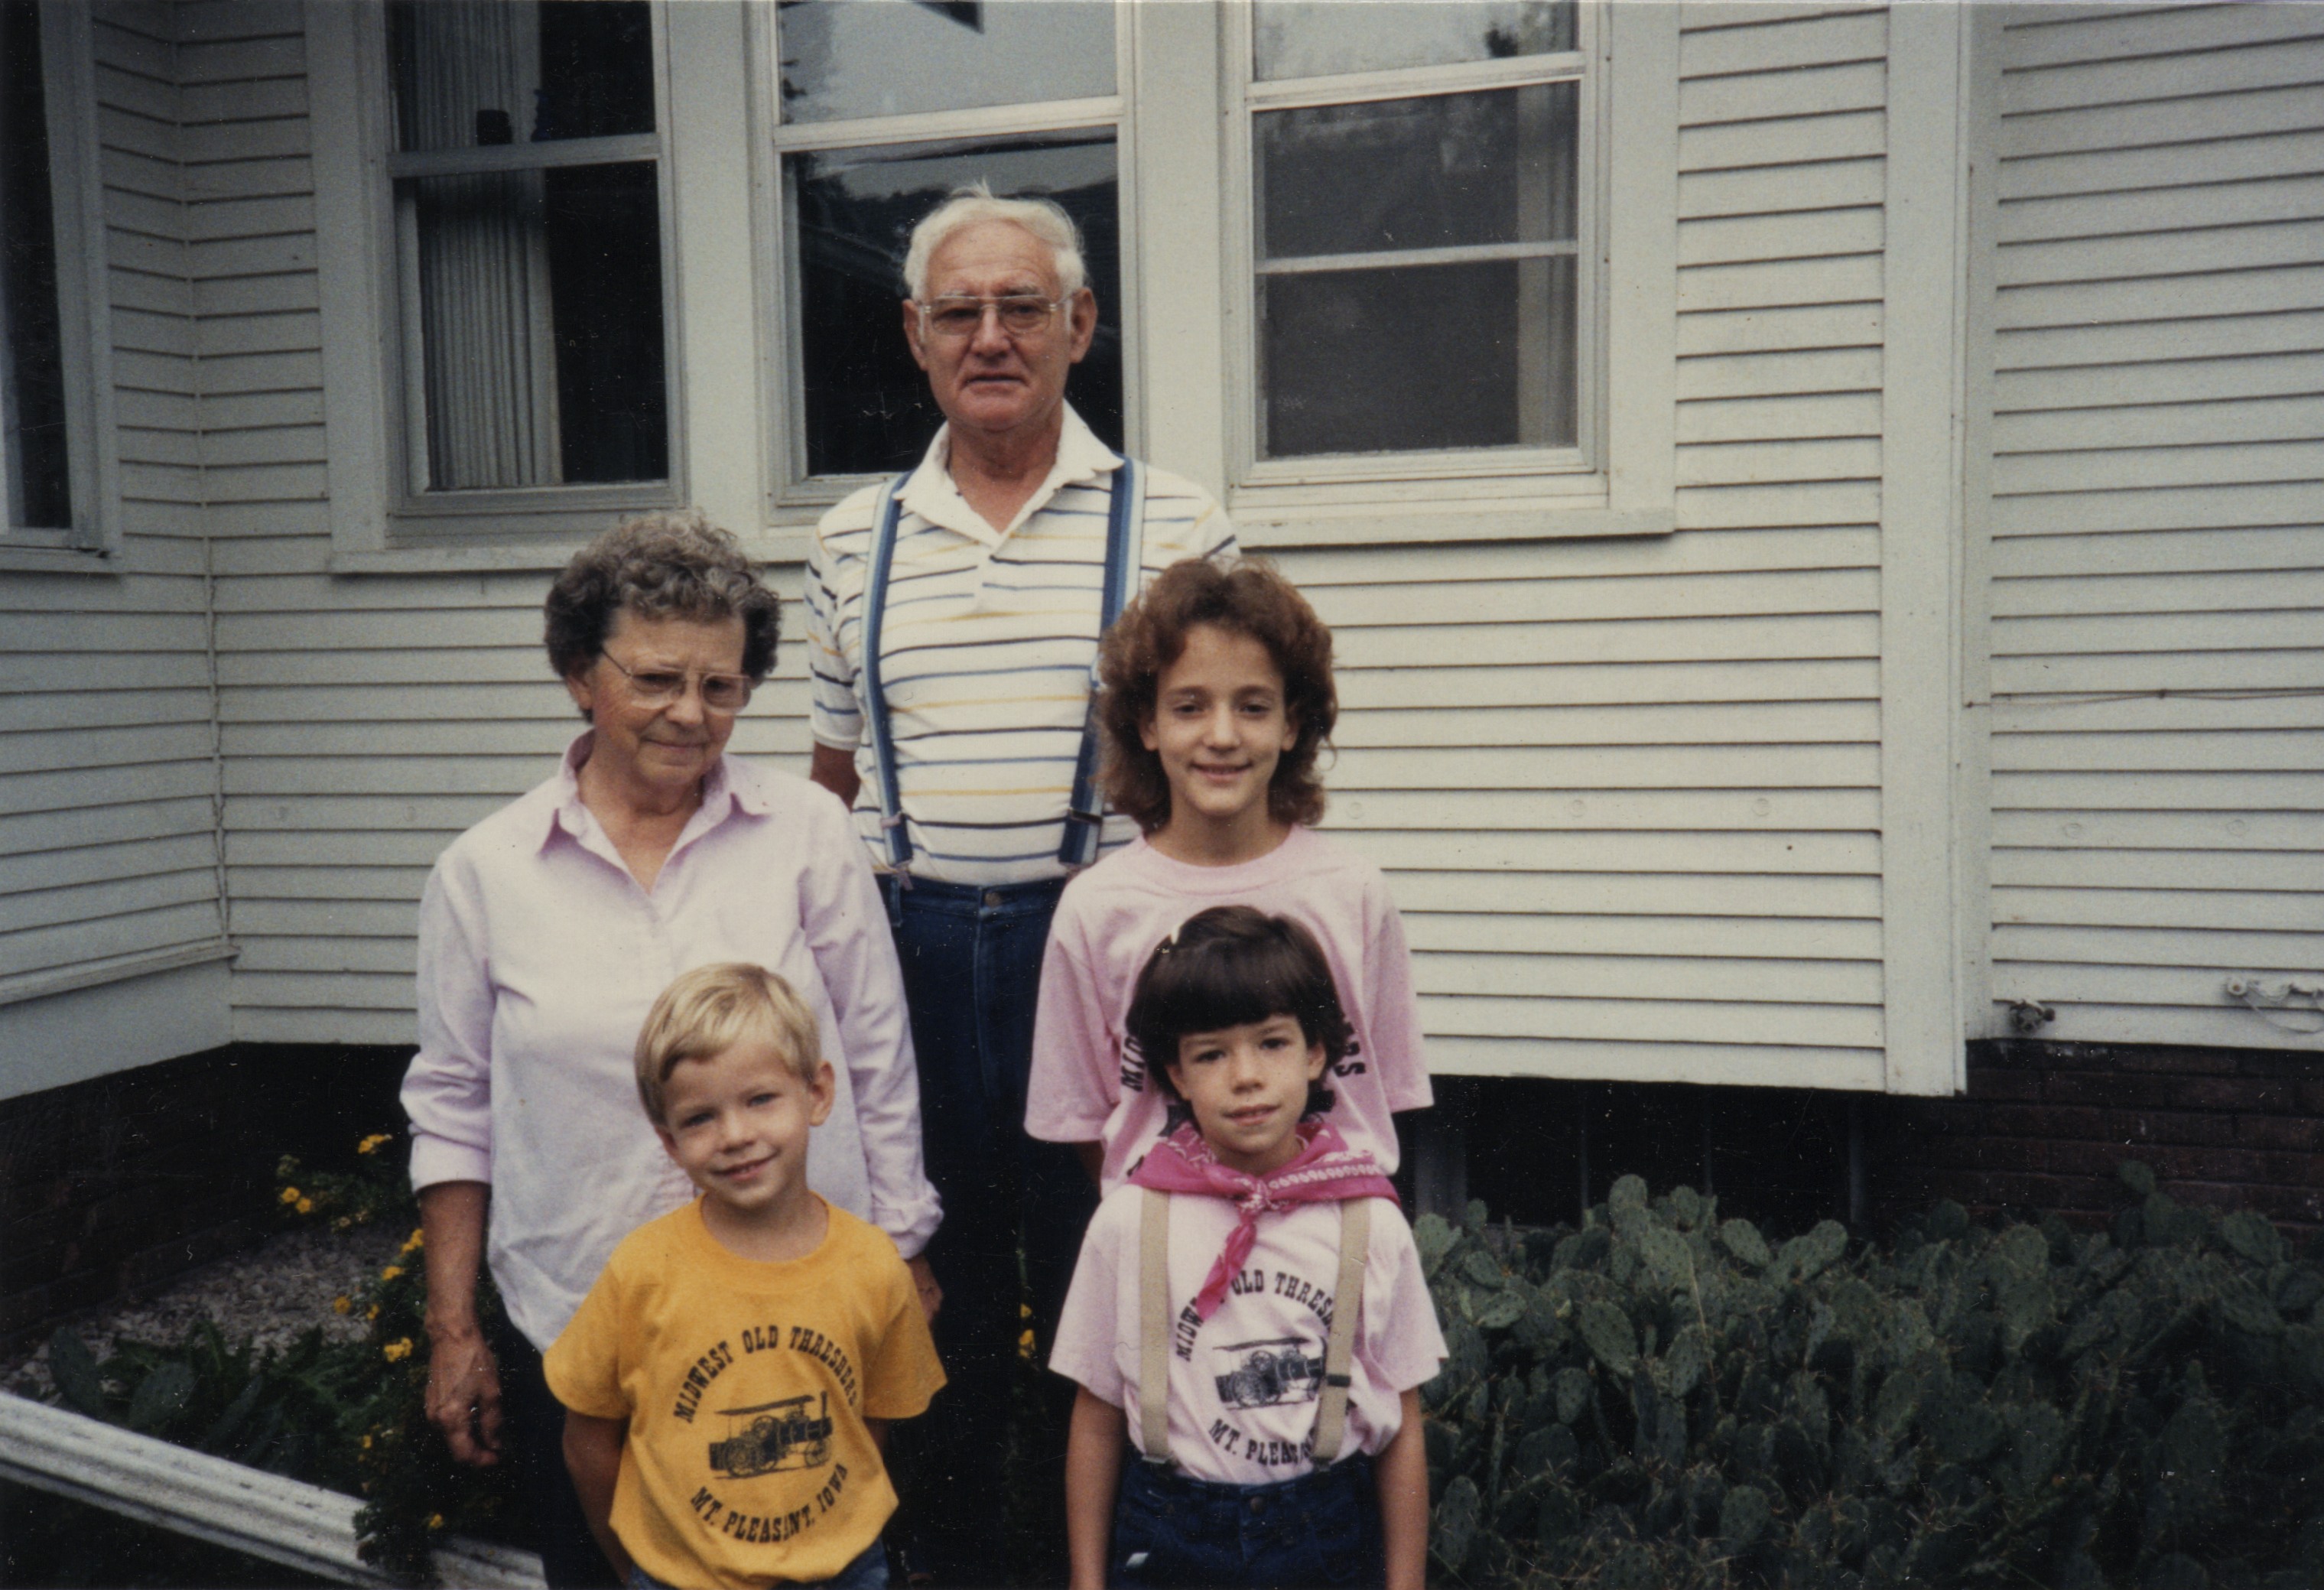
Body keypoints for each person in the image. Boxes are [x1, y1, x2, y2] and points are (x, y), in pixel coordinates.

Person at [802, 185, 1234, 1572]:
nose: (988, 337)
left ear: (1079, 324)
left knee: (1111, 1285)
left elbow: (1228, 766)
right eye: (957, 311)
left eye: (1021, 307)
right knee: (932, 1298)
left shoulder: (1176, 523)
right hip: (911, 955)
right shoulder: (849, 538)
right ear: (914, 335)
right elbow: (827, 789)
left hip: (1105, 959)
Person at [402, 512, 940, 1588]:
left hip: (797, 1319)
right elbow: (454, 1106)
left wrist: (902, 1244)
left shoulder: (806, 831)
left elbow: (876, 1053)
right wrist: (454, 1326)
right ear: (578, 674)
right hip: (584, 1322)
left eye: (721, 686)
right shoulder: (485, 872)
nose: (690, 714)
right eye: (654, 679)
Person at [1052, 907, 1443, 1590]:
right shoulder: (1130, 1220)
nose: (1245, 1076)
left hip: (1323, 1535)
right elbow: (1095, 1416)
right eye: (1211, 1053)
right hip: (1170, 1533)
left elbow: (1402, 1422)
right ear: (1175, 1073)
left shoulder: (1369, 1221)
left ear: (1316, 1052)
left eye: (1271, 1043)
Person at [1026, 556, 1432, 1194]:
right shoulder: (1096, 906)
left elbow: (1384, 1095)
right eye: (1189, 707)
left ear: (1290, 723)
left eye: (1252, 706)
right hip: (1164, 1225)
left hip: (1329, 1224)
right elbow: (1081, 1118)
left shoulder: (1352, 891)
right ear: (1148, 724)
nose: (1221, 735)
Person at [548, 963, 945, 1590]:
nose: (735, 1135)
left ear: (817, 1093)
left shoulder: (873, 1264)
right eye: (699, 1118)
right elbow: (587, 1440)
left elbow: (870, 1426)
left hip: (843, 1573)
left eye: (760, 1099)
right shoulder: (641, 1271)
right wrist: (637, 1568)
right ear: (669, 1141)